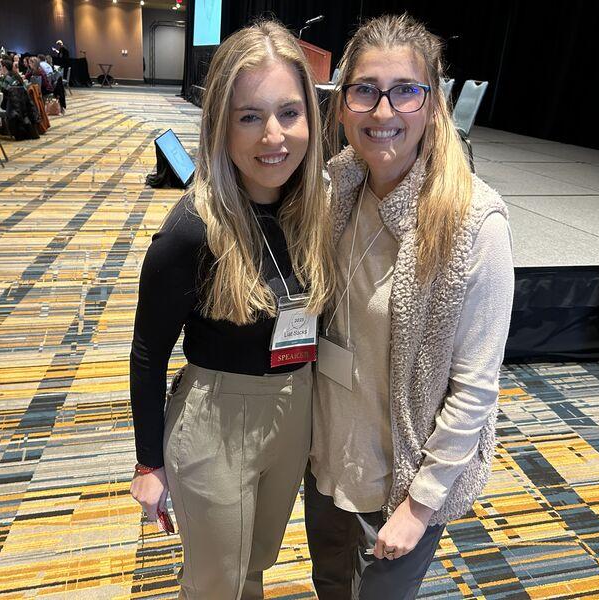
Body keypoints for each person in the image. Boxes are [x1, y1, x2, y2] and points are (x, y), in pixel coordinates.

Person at [304, 13, 515, 599]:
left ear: (433, 104)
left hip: (402, 480)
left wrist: (420, 506)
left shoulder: (473, 222)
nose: (383, 112)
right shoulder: (334, 188)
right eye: (365, 90)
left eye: (405, 91)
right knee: (328, 584)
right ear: (342, 102)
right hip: (327, 458)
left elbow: (474, 388)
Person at [129, 19, 335, 600]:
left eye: (289, 113)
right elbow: (147, 353)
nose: (274, 136)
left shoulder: (313, 209)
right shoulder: (192, 229)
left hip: (294, 410)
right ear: (220, 123)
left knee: (253, 565)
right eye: (250, 116)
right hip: (217, 419)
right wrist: (148, 465)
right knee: (215, 582)